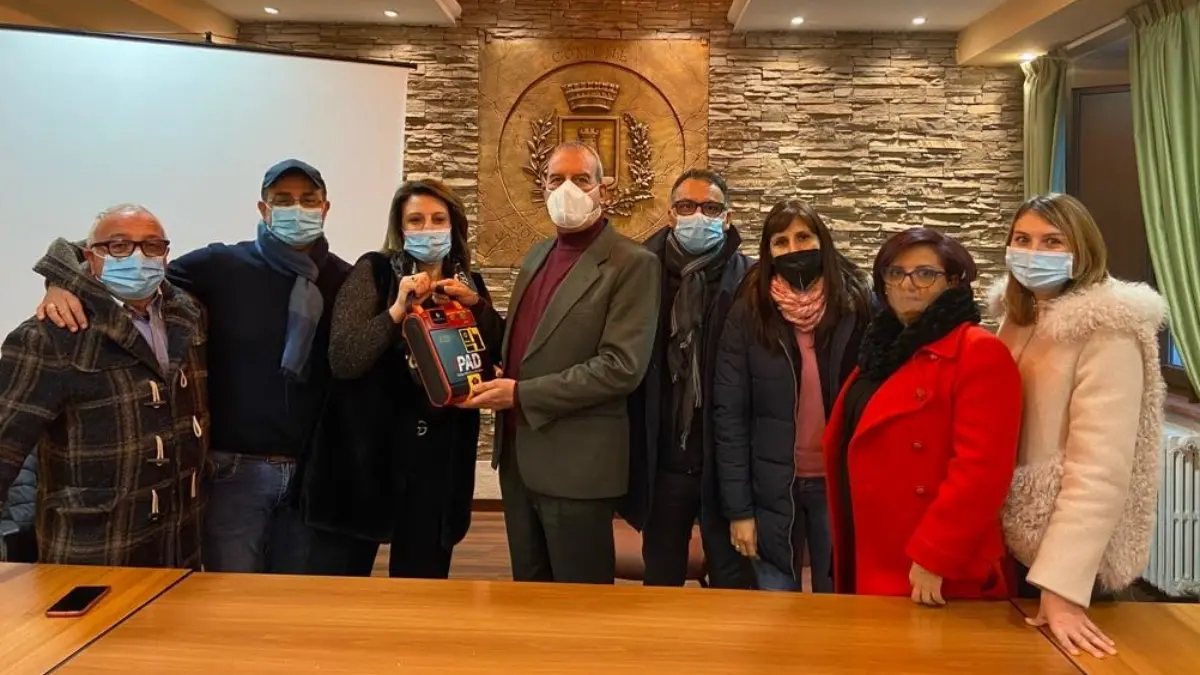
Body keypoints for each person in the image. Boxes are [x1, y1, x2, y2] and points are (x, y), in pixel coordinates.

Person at [37, 160, 351, 573]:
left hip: (311, 472)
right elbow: (133, 262)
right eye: (284, 200)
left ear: (325, 208)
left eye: (308, 200)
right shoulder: (221, 265)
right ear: (263, 209)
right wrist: (60, 280)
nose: (297, 209)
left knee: (295, 598)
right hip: (233, 472)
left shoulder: (345, 279)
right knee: (227, 598)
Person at [462, 142, 660, 584]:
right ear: (544, 187)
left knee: (579, 605)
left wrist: (521, 395)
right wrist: (476, 307)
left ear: (604, 190)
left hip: (578, 467)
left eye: (581, 179)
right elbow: (525, 346)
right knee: (528, 596)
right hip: (518, 460)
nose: (567, 189)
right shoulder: (538, 255)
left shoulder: (633, 264)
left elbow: (621, 367)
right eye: (556, 179)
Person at [302, 179, 504, 578]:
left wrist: (477, 307)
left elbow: (496, 354)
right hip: (365, 459)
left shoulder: (470, 284)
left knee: (421, 588)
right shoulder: (373, 272)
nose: (428, 228)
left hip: (438, 463)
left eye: (438, 219)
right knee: (340, 586)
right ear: (400, 227)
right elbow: (344, 359)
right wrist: (396, 311)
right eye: (416, 220)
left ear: (454, 226)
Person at [994, 193, 1166, 658]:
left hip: (1068, 559)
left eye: (1052, 242)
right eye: (1022, 239)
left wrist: (1063, 587)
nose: (1034, 253)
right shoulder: (1018, 316)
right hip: (1016, 541)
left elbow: (1100, 470)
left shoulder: (1107, 330)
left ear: (1082, 249)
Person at [0, 204, 207, 567]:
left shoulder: (186, 316)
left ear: (165, 255)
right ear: (91, 256)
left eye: (152, 245)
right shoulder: (50, 335)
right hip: (95, 545)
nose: (138, 257)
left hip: (179, 543)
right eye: (119, 246)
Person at [822, 227, 1021, 603]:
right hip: (872, 543)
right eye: (895, 273)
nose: (907, 284)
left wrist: (935, 554)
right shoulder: (882, 350)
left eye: (925, 274)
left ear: (953, 282)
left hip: (931, 564)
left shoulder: (977, 351)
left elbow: (981, 471)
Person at [712, 200, 874, 592]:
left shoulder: (857, 304)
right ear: (768, 251)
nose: (793, 249)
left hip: (840, 484)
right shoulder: (749, 309)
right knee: (776, 608)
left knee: (838, 603)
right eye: (781, 242)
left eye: (803, 237)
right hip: (771, 487)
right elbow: (729, 415)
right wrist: (739, 512)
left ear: (822, 241)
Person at [628, 168, 755, 589]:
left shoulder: (750, 281)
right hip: (663, 459)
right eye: (686, 206)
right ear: (670, 215)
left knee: (733, 584)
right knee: (661, 580)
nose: (698, 216)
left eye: (710, 208)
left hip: (725, 463)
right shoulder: (642, 275)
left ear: (727, 218)